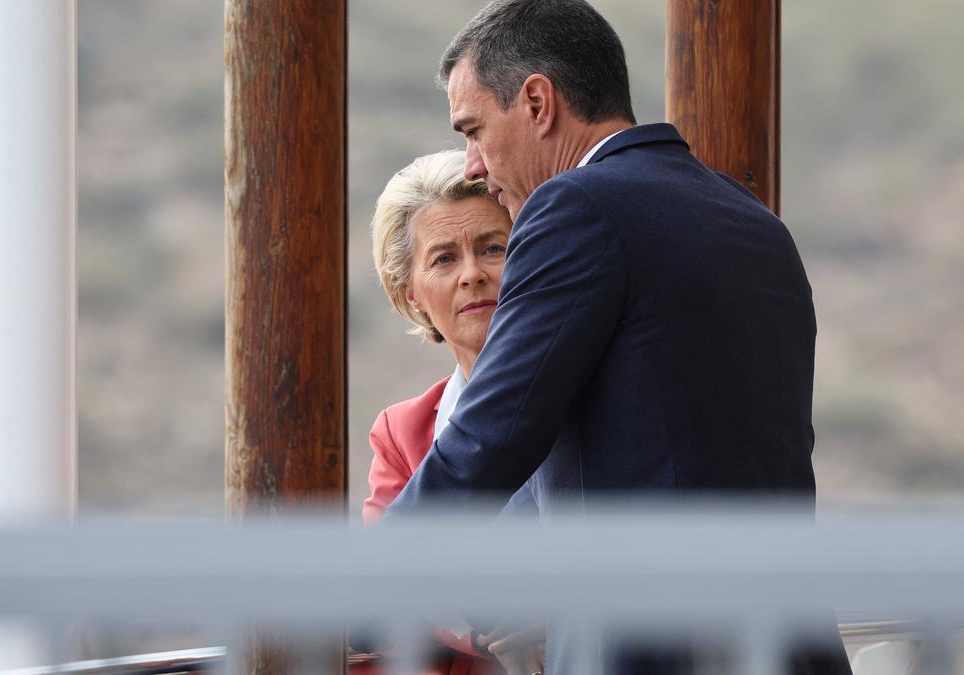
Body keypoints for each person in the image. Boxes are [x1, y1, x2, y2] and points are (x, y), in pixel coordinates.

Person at [382, 1, 852, 673]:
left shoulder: (574, 208)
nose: (475, 165)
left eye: (474, 130)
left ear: (538, 102)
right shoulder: (757, 224)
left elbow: (492, 434)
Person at [363, 149, 541, 675]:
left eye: (493, 248)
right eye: (443, 259)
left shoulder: (603, 392)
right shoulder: (402, 432)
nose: (473, 275)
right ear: (411, 294)